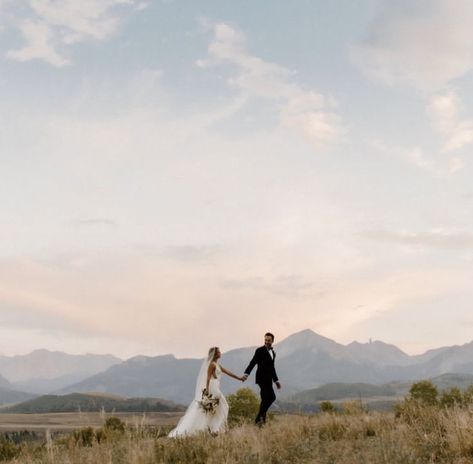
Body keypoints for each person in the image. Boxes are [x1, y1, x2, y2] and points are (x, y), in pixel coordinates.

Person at [168, 346, 244, 437]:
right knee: (223, 406)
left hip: (216, 387)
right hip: (213, 388)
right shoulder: (212, 365)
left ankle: (214, 429)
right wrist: (207, 392)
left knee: (216, 409)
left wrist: (239, 378)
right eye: (219, 352)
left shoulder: (217, 365)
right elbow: (208, 378)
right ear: (215, 354)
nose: (220, 353)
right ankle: (214, 429)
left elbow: (228, 372)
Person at [242, 332, 281, 425]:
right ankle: (258, 418)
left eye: (269, 340)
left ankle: (261, 422)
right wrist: (246, 374)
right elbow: (253, 362)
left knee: (265, 399)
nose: (267, 342)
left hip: (269, 379)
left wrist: (276, 380)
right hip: (261, 379)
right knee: (272, 397)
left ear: (272, 341)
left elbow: (272, 368)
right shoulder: (259, 350)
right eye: (265, 340)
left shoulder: (273, 353)